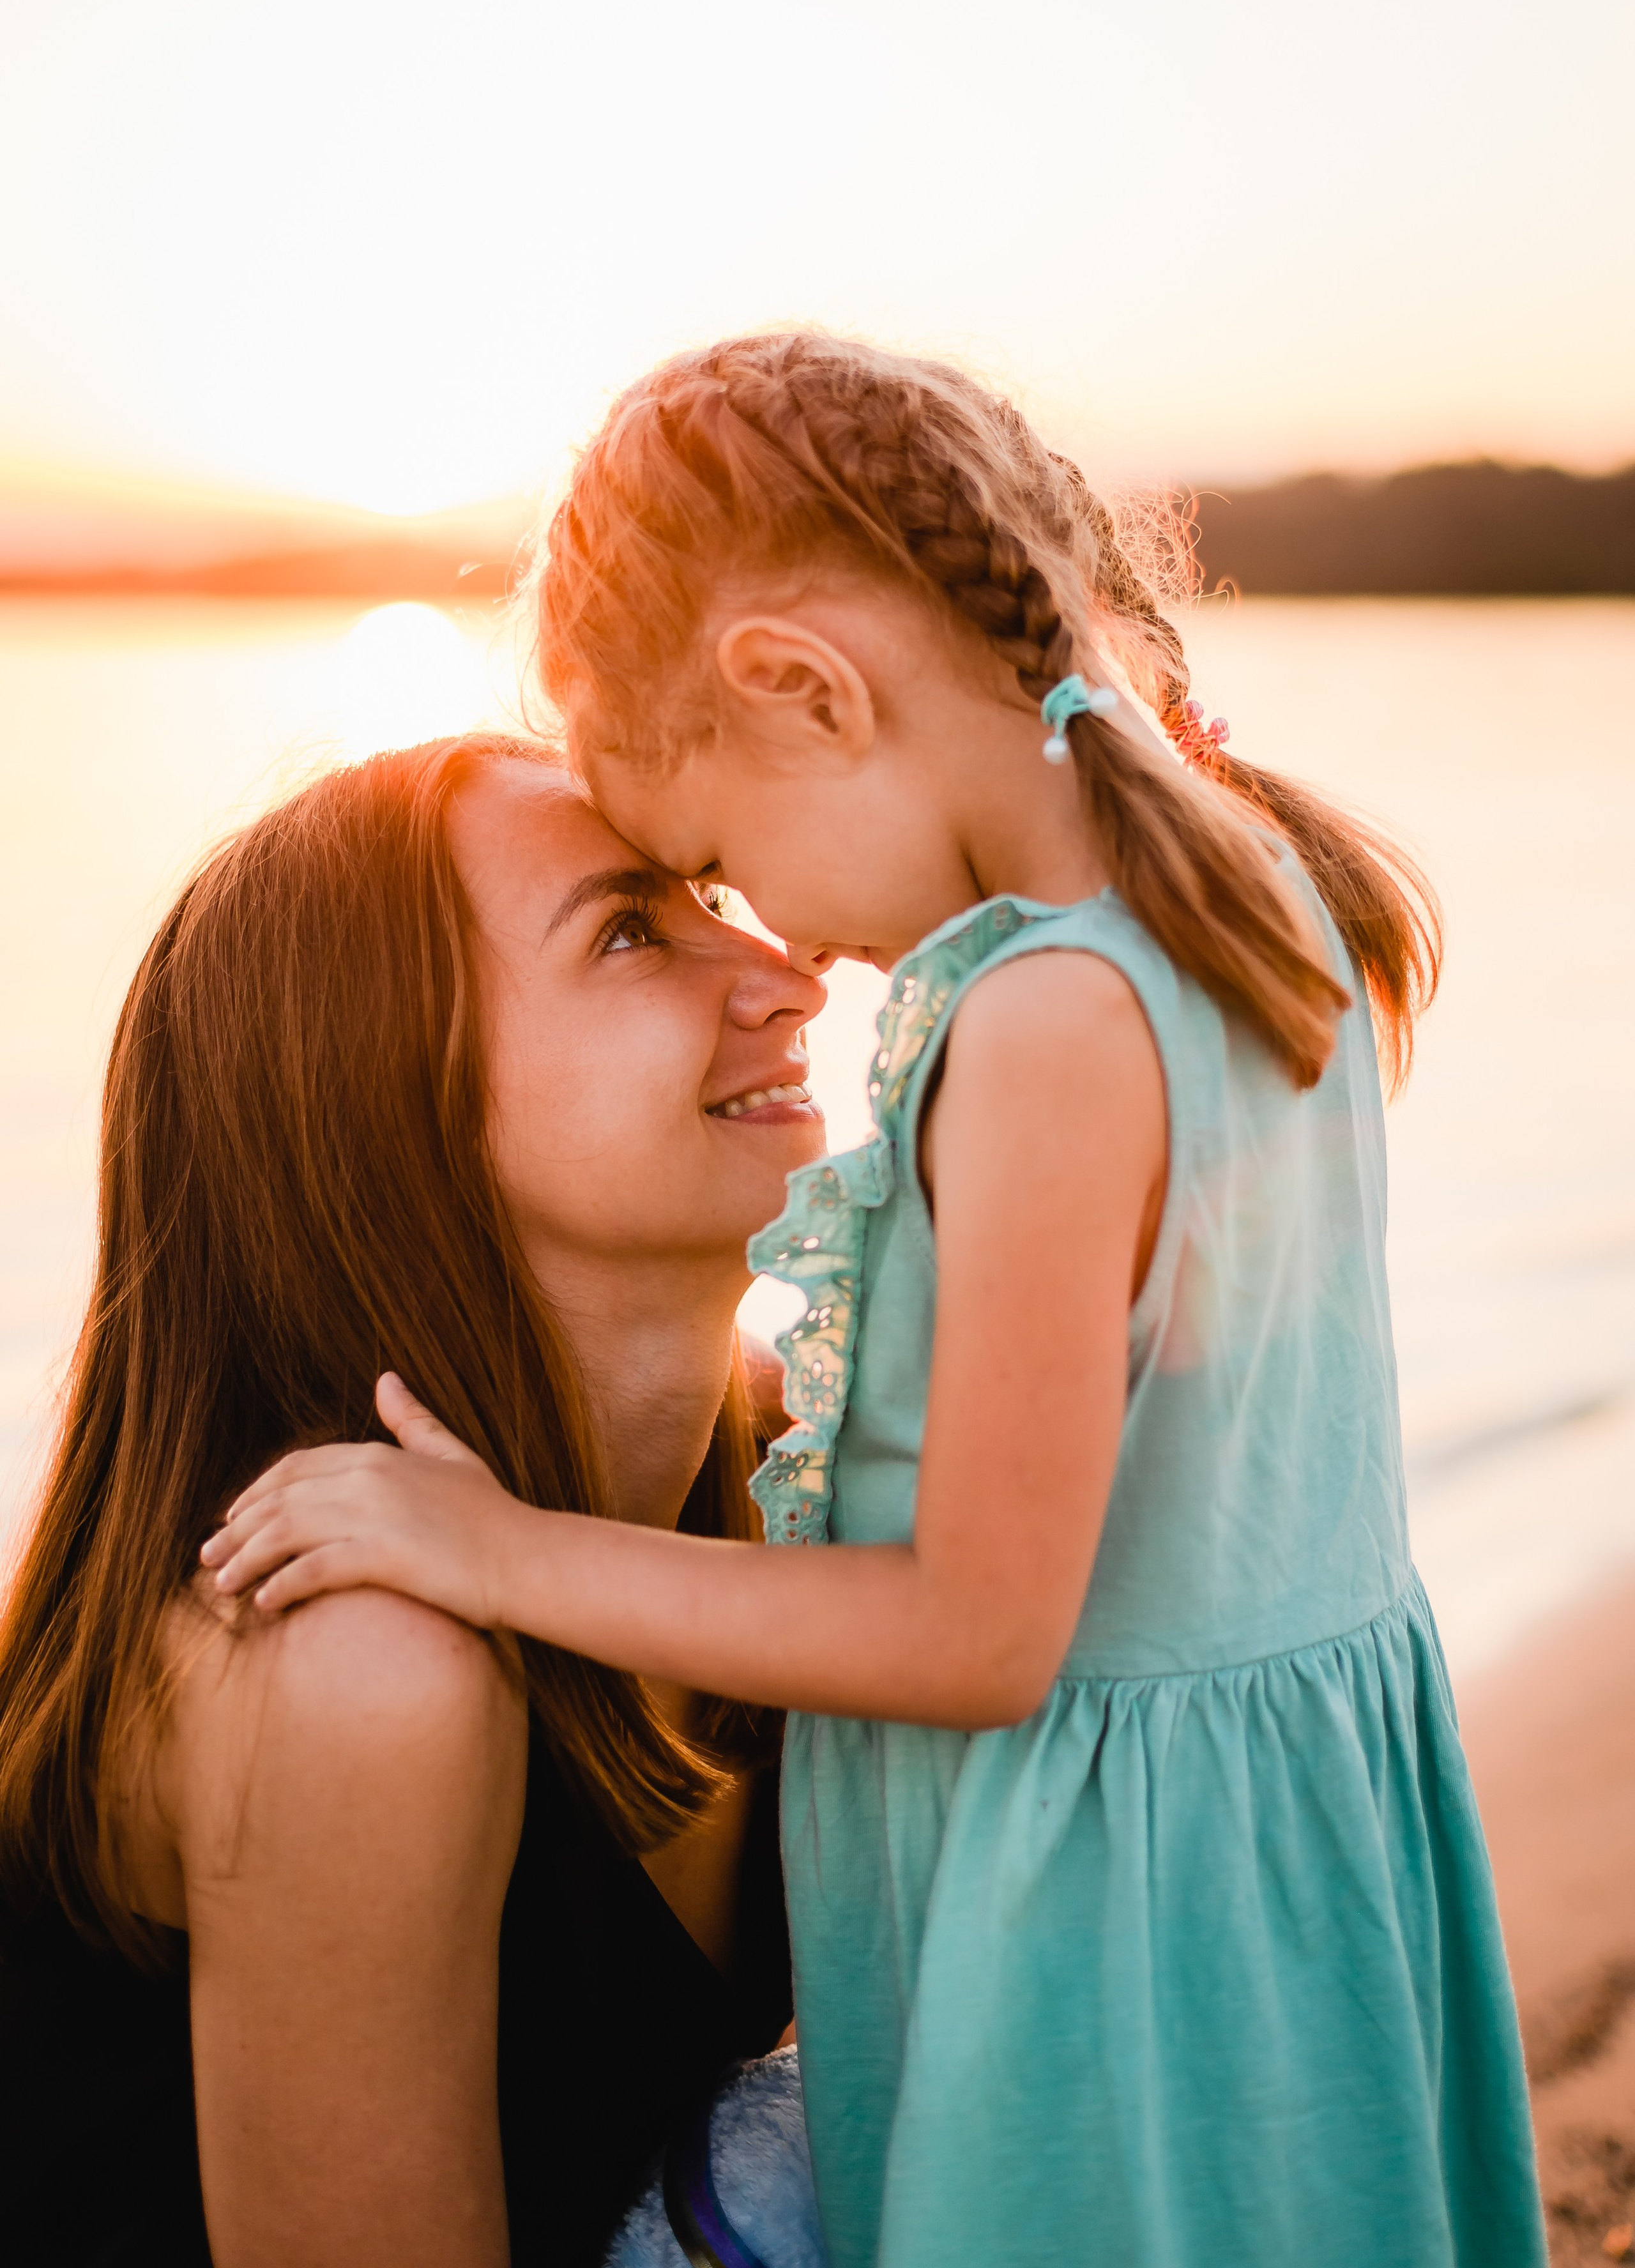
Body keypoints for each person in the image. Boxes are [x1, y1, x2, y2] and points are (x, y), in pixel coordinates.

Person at [206, 334, 1548, 2268]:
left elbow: (981, 1634)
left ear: (804, 689)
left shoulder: (1044, 1023)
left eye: (717, 856)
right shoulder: (1258, 905)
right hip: (1277, 1896)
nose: (789, 945)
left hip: (1100, 1966)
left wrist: (497, 1552)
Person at [0, 731, 823, 2268]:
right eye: (632, 930)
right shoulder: (356, 1661)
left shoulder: (796, 1480)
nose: (788, 973)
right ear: (399, 1101)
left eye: (710, 891)